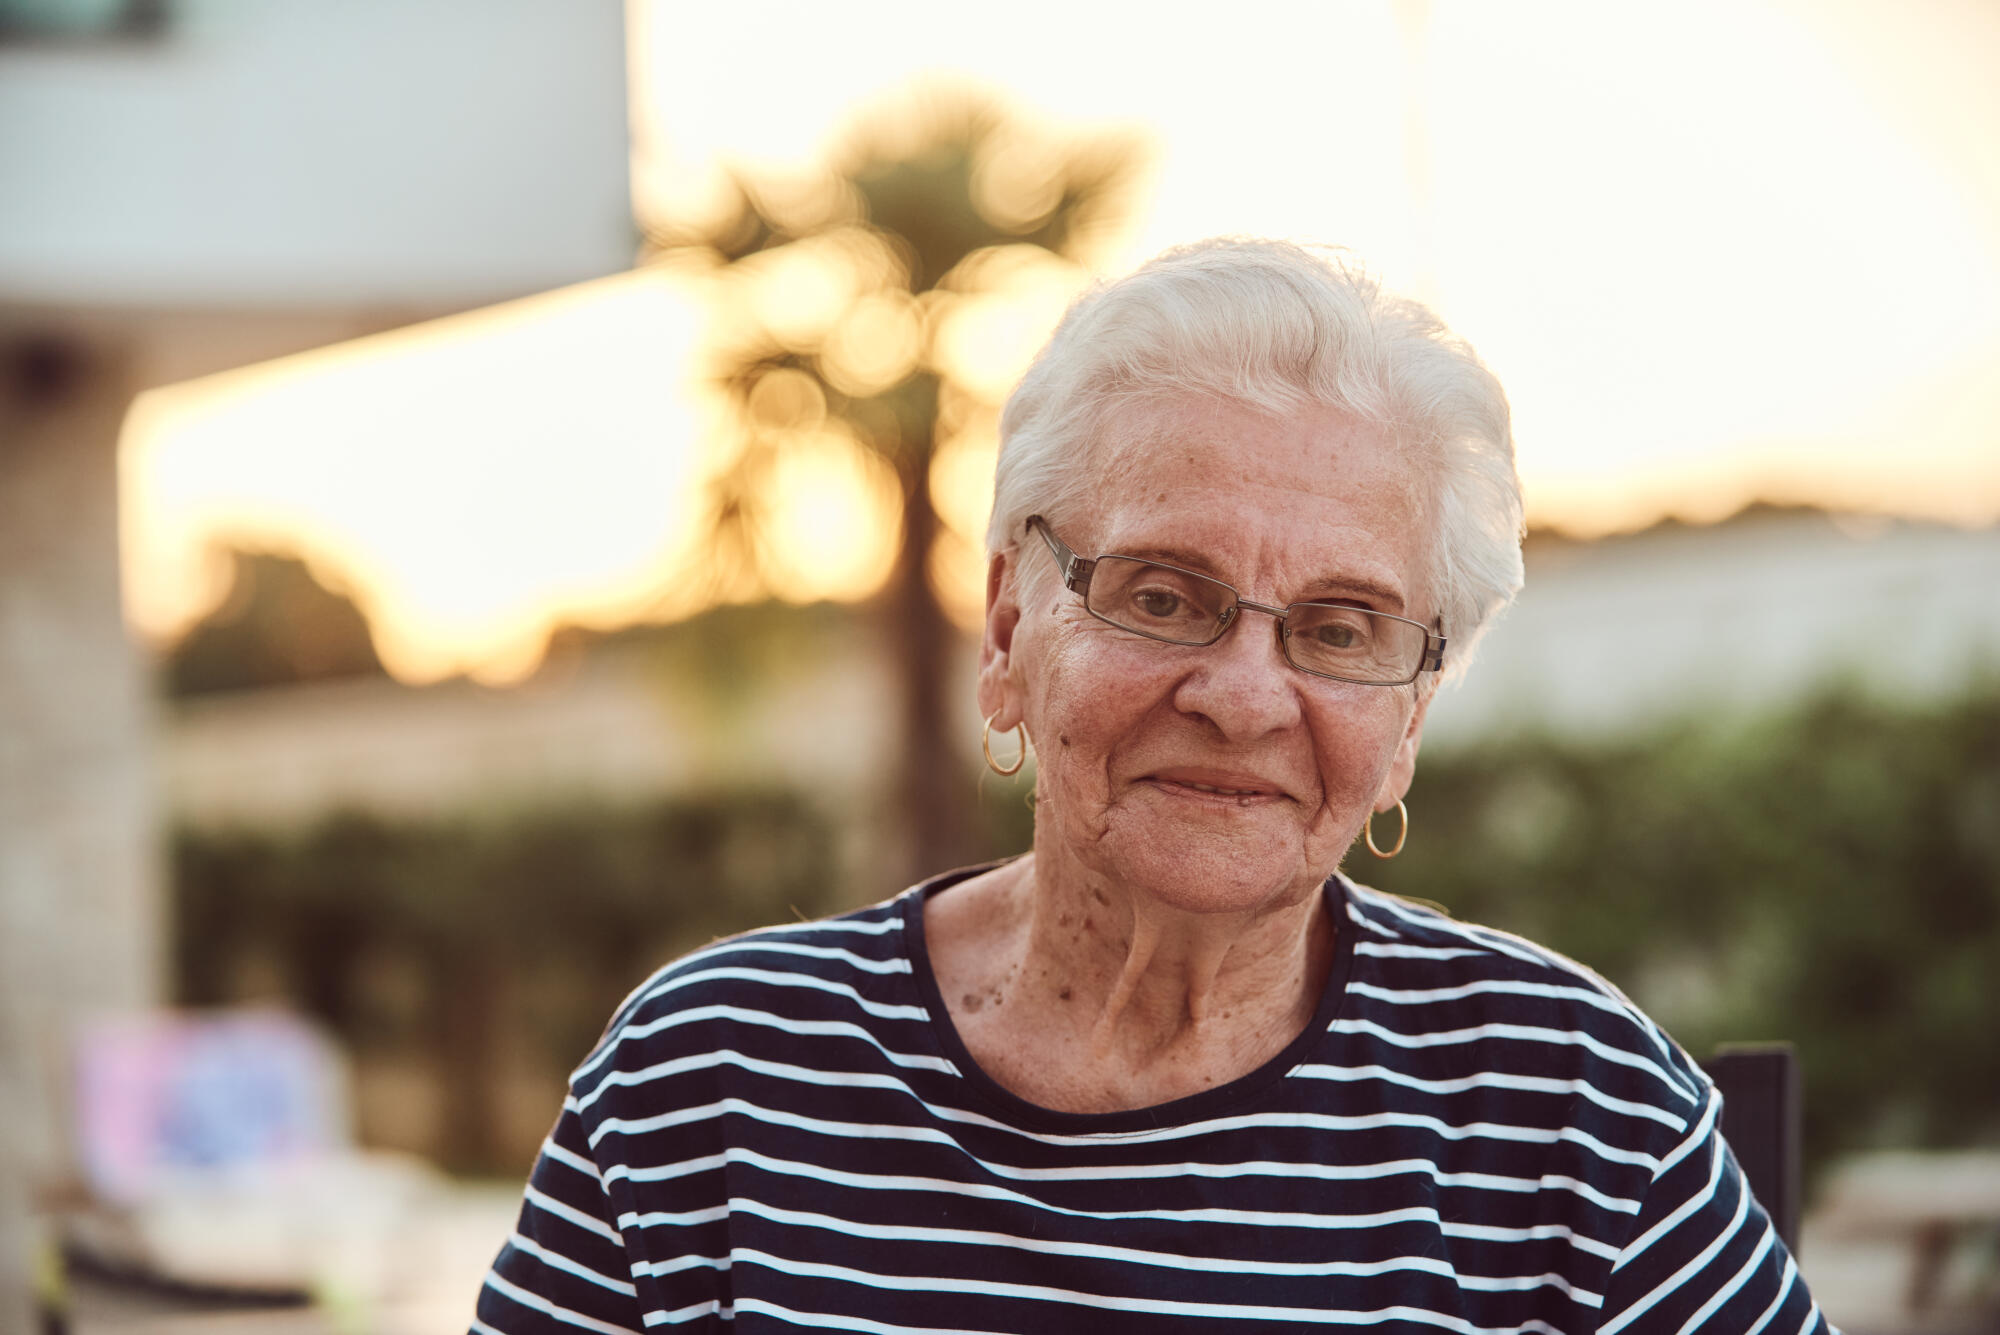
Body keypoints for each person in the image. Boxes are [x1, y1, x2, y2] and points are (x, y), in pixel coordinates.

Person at [472, 239, 1832, 1332]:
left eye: (1344, 629)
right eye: (1165, 596)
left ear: (1412, 712)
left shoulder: (1570, 1111)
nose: (1245, 697)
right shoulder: (708, 1080)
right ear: (1009, 629)